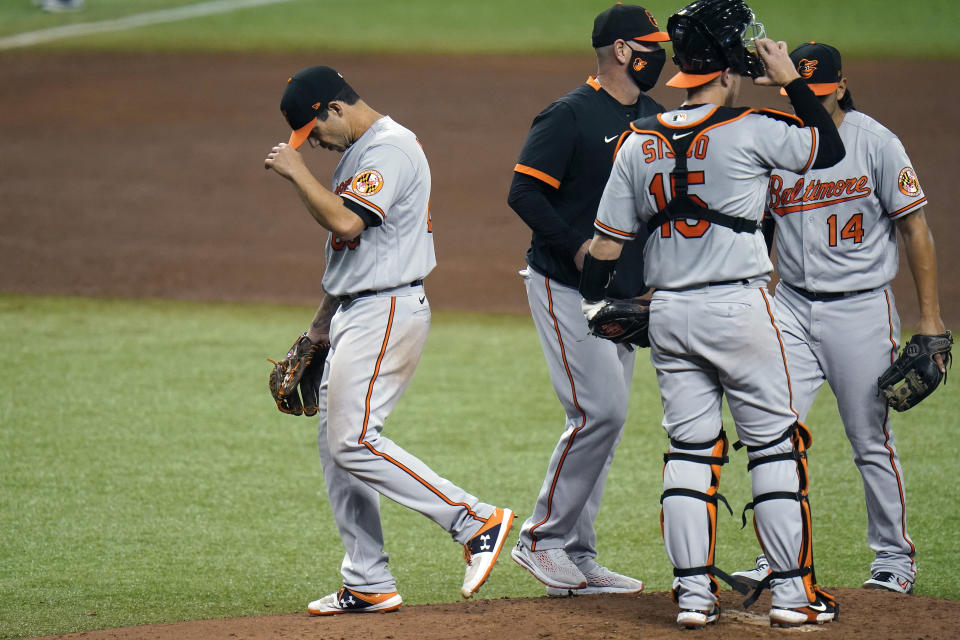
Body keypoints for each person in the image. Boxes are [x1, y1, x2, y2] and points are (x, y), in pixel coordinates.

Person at [578, 0, 847, 629]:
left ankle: (694, 598)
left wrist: (593, 301)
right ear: (729, 68)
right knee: (776, 448)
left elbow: (605, 249)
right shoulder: (753, 125)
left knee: (690, 451)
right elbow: (827, 147)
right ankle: (792, 596)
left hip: (669, 314)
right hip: (739, 310)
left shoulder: (637, 140)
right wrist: (790, 79)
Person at [264, 65, 513, 615]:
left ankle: (475, 519)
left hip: (388, 307)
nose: (317, 144)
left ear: (335, 108)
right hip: (357, 308)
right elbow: (345, 255)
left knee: (353, 440)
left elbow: (348, 223)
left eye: (315, 131)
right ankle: (367, 579)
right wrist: (318, 329)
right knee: (338, 450)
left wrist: (295, 171)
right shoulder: (357, 153)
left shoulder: (390, 149)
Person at [731, 42, 947, 596]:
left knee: (870, 439)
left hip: (861, 308)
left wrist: (930, 319)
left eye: (823, 93)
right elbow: (761, 231)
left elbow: (915, 229)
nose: (812, 102)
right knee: (774, 433)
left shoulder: (875, 142)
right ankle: (776, 557)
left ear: (841, 85)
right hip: (792, 306)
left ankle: (894, 559)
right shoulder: (776, 142)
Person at [506, 3, 668, 596]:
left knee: (607, 422)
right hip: (564, 287)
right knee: (599, 412)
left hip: (623, 298)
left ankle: (576, 552)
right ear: (622, 50)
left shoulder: (655, 116)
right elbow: (524, 192)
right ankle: (541, 539)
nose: (660, 54)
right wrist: (578, 251)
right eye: (650, 44)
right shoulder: (569, 114)